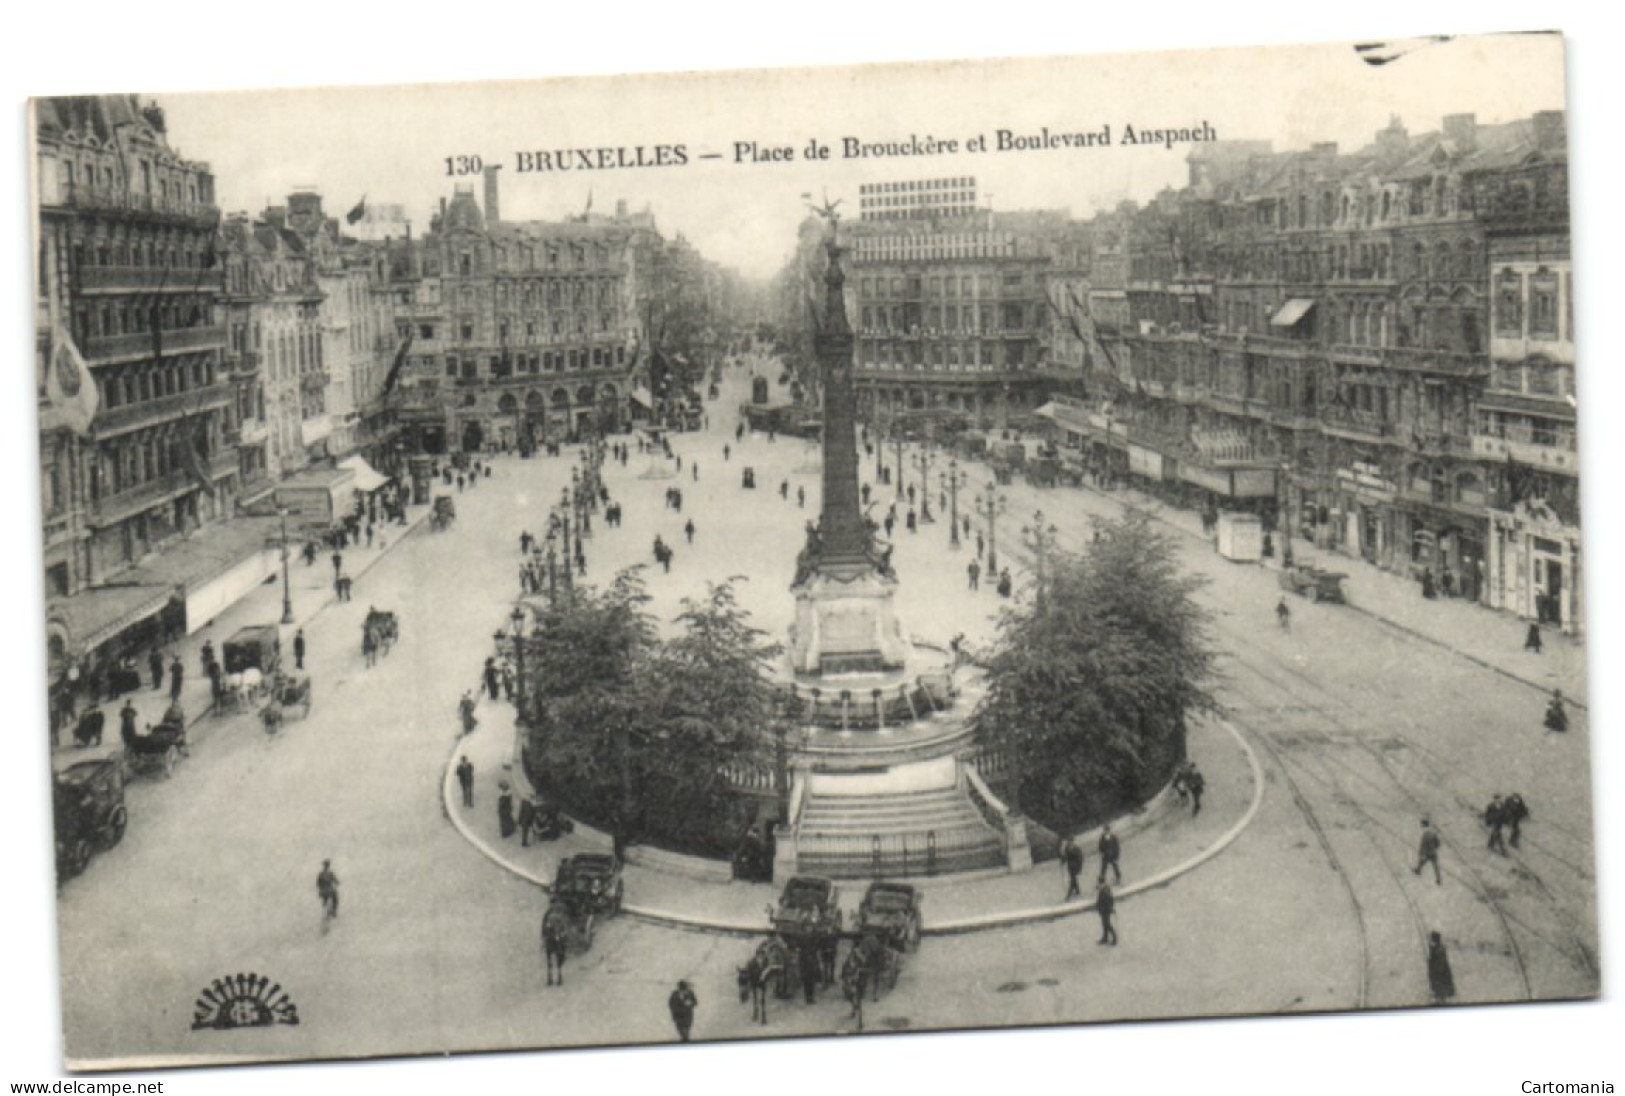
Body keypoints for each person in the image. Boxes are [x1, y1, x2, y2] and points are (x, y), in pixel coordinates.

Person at [1426, 932, 1455, 1005]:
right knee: (1439, 987)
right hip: (1440, 972)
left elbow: (1439, 962)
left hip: (1440, 972)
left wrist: (1432, 964)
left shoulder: (1439, 949)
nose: (1432, 941)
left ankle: (1441, 1000)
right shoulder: (1437, 948)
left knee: (1441, 987)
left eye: (1432, 939)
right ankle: (1440, 999)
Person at [1413, 819, 1442, 885]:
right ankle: (1438, 879)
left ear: (1424, 826)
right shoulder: (1433, 833)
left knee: (1422, 862)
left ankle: (1418, 871)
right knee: (1435, 866)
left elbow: (1423, 845)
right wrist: (1435, 848)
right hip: (1433, 853)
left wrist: (1421, 852)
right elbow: (1438, 843)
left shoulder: (1425, 835)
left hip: (1427, 853)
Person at [1096, 881, 1117, 945]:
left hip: (1105, 911)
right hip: (1104, 911)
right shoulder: (1106, 890)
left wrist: (1109, 908)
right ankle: (1105, 937)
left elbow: (1106, 902)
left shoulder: (1104, 892)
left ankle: (1114, 938)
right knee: (1104, 924)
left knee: (1107, 925)